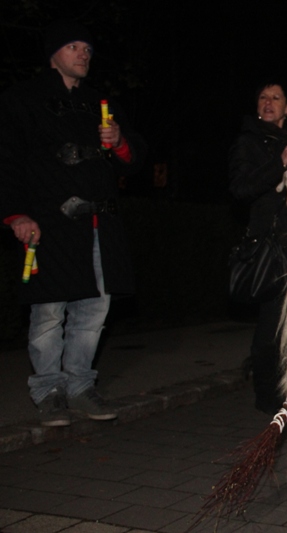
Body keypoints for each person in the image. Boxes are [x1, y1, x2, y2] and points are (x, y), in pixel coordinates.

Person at [0, 21, 146, 427]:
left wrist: (119, 141)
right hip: (48, 225)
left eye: (87, 48)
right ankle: (49, 391)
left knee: (94, 310)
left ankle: (80, 386)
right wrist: (15, 214)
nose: (83, 54)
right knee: (49, 312)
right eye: (74, 46)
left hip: (98, 226)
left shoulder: (100, 102)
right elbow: (6, 161)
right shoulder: (20, 100)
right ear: (53, 53)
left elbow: (135, 159)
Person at [228, 80, 287, 414]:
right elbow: (240, 189)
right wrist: (279, 162)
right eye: (263, 97)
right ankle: (267, 399)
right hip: (270, 249)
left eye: (276, 98)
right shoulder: (247, 142)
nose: (268, 102)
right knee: (270, 329)